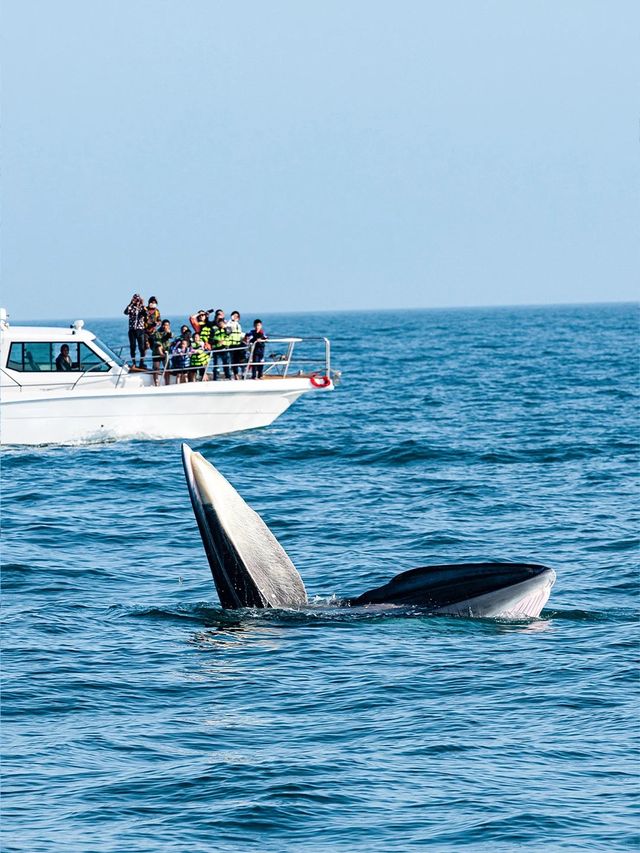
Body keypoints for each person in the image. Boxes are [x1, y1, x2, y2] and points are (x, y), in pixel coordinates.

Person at [124, 294, 147, 366]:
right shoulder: (131, 307)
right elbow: (125, 312)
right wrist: (131, 303)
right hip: (132, 330)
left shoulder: (142, 308)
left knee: (142, 347)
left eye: (138, 299)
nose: (137, 301)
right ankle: (133, 363)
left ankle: (141, 362)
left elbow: (146, 314)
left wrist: (142, 304)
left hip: (140, 330)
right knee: (133, 347)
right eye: (135, 299)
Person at [150, 319, 173, 386]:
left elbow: (171, 336)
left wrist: (169, 332)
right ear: (163, 325)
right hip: (157, 352)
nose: (167, 326)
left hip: (165, 351)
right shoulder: (157, 332)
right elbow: (158, 343)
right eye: (166, 325)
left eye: (168, 325)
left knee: (167, 368)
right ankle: (156, 384)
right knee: (156, 368)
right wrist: (160, 353)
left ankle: (167, 383)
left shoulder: (167, 331)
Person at [227, 311, 244, 379]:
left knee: (241, 359)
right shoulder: (229, 323)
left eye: (237, 316)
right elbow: (227, 330)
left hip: (239, 344)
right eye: (234, 316)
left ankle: (242, 373)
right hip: (232, 345)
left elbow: (240, 334)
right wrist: (231, 320)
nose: (235, 317)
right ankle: (235, 374)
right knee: (233, 361)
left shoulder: (238, 325)